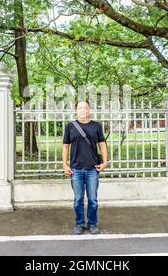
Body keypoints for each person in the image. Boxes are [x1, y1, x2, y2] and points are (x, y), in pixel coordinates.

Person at [62, 100, 108, 235]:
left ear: (89, 110)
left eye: (86, 108)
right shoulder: (70, 126)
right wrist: (65, 165)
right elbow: (65, 146)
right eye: (80, 108)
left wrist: (105, 162)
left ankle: (93, 223)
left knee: (93, 199)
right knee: (78, 200)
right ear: (76, 110)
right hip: (75, 169)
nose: (83, 110)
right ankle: (80, 224)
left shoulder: (96, 126)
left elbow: (102, 144)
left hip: (93, 169)